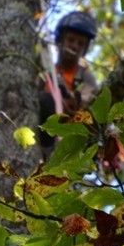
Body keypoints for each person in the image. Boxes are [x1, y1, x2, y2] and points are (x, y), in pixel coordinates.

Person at [39, 11, 98, 152]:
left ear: (84, 49)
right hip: (42, 125)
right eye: (71, 40)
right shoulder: (47, 71)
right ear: (60, 41)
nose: (75, 46)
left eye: (80, 43)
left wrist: (76, 100)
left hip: (67, 131)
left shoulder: (84, 74)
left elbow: (88, 95)